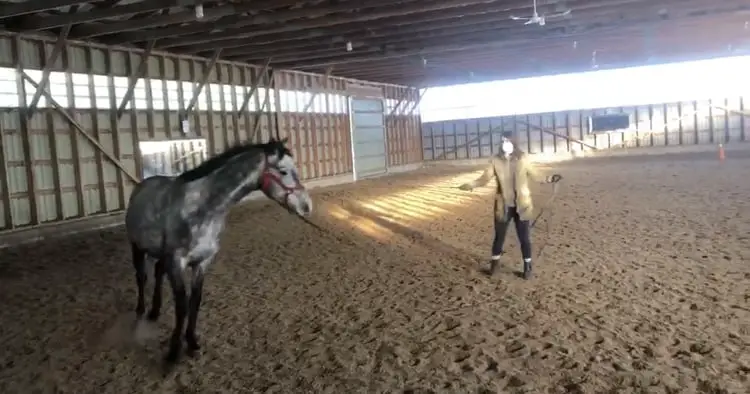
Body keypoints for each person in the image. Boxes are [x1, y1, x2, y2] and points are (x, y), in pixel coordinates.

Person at [458, 137, 562, 280]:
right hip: (503, 205)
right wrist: (470, 185)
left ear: (513, 142)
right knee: (499, 237)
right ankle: (494, 266)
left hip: (523, 205)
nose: (505, 144)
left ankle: (527, 267)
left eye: (507, 141)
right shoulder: (495, 160)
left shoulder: (523, 158)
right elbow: (484, 179)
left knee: (524, 238)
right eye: (502, 141)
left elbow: (535, 175)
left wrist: (550, 178)